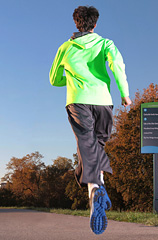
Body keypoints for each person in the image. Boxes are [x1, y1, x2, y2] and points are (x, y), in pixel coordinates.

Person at [49, 5, 132, 235]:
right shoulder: (106, 44)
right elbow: (118, 66)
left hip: (78, 101)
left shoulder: (65, 48)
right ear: (95, 24)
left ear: (76, 23)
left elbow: (54, 79)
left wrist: (74, 79)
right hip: (103, 101)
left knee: (87, 146)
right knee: (96, 147)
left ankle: (95, 189)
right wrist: (125, 93)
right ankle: (98, 186)